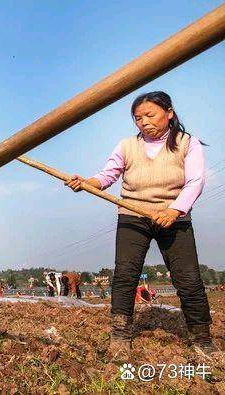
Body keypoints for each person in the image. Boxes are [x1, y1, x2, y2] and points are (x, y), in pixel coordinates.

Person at [65, 91, 217, 358]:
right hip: (133, 215)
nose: (144, 122)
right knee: (125, 275)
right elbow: (107, 174)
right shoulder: (127, 146)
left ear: (169, 113)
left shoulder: (187, 143)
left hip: (174, 217)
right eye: (138, 118)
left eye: (150, 115)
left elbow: (195, 182)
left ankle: (202, 339)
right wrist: (87, 183)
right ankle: (121, 335)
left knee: (189, 279)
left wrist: (174, 210)